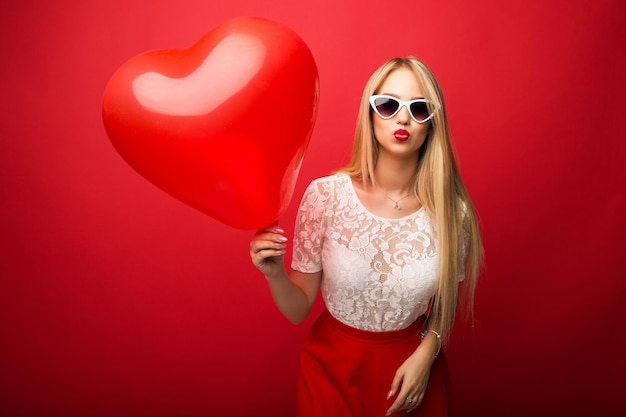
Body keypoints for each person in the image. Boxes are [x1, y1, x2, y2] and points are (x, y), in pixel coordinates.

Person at [250, 56, 482, 417]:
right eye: (388, 105)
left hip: (412, 375)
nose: (402, 118)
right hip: (333, 371)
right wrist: (275, 272)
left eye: (419, 109)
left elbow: (444, 305)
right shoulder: (325, 196)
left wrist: (426, 354)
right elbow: (298, 311)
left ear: (431, 123)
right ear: (370, 113)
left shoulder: (454, 214)